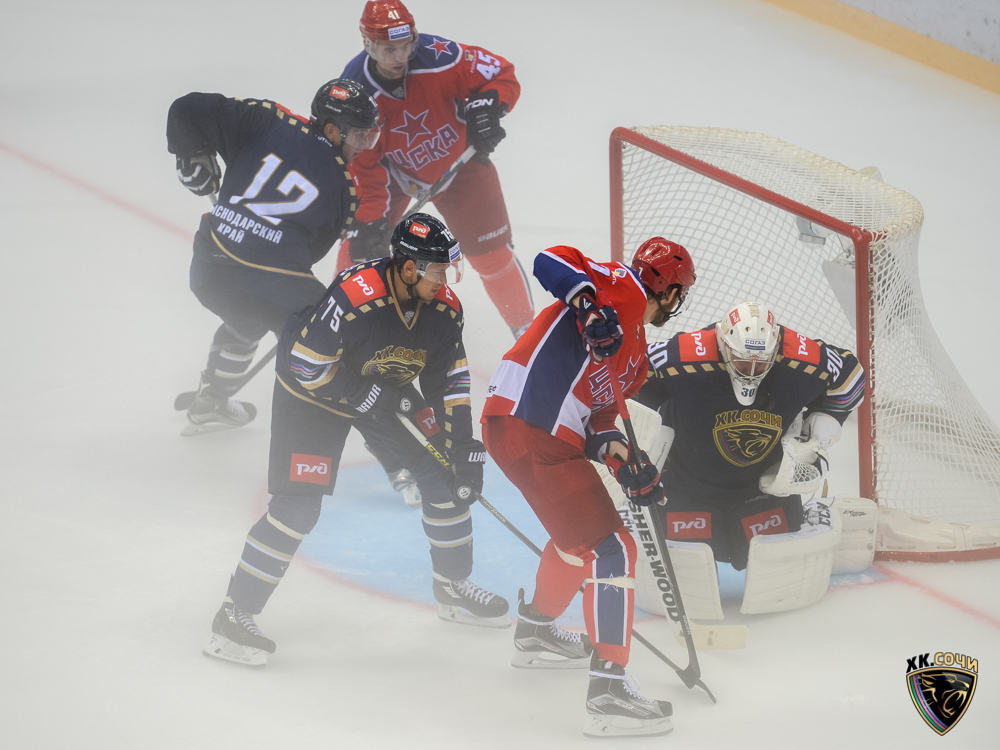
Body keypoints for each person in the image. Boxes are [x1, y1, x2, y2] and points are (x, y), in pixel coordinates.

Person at [204, 213, 509, 667]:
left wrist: (461, 443)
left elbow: (451, 378)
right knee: (297, 507)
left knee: (444, 473)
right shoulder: (355, 295)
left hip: (382, 386)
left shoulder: (444, 308)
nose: (445, 281)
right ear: (409, 268)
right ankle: (233, 614)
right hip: (314, 394)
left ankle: (451, 585)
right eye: (438, 270)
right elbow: (307, 365)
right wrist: (365, 396)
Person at [481, 238, 697, 738]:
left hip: (539, 436)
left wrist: (629, 466)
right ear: (670, 292)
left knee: (577, 543)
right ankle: (609, 693)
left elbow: (598, 424)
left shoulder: (636, 358)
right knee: (613, 549)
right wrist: (586, 304)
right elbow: (550, 259)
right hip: (528, 422)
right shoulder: (621, 287)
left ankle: (536, 632)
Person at [166, 79, 380, 435]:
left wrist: (191, 155)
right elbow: (310, 254)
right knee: (335, 332)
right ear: (332, 130)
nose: (364, 146)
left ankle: (213, 398)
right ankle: (351, 428)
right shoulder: (346, 189)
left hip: (206, 270)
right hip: (270, 286)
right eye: (360, 135)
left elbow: (186, 108)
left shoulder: (265, 119)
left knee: (245, 320)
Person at [337, 0, 535, 340]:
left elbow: (502, 74)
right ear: (368, 45)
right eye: (388, 50)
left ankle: (528, 334)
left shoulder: (444, 57)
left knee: (491, 256)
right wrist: (370, 220)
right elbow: (364, 164)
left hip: (459, 161)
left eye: (406, 45)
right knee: (358, 252)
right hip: (391, 174)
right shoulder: (358, 90)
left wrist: (488, 107)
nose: (400, 57)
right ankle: (338, 330)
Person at [633, 300, 865, 573]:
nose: (752, 371)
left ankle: (802, 518)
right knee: (687, 571)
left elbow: (851, 379)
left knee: (778, 574)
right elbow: (628, 380)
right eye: (743, 361)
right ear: (724, 345)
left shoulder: (801, 356)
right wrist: (638, 443)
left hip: (762, 490)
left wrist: (822, 427)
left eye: (761, 362)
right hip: (685, 486)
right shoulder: (684, 355)